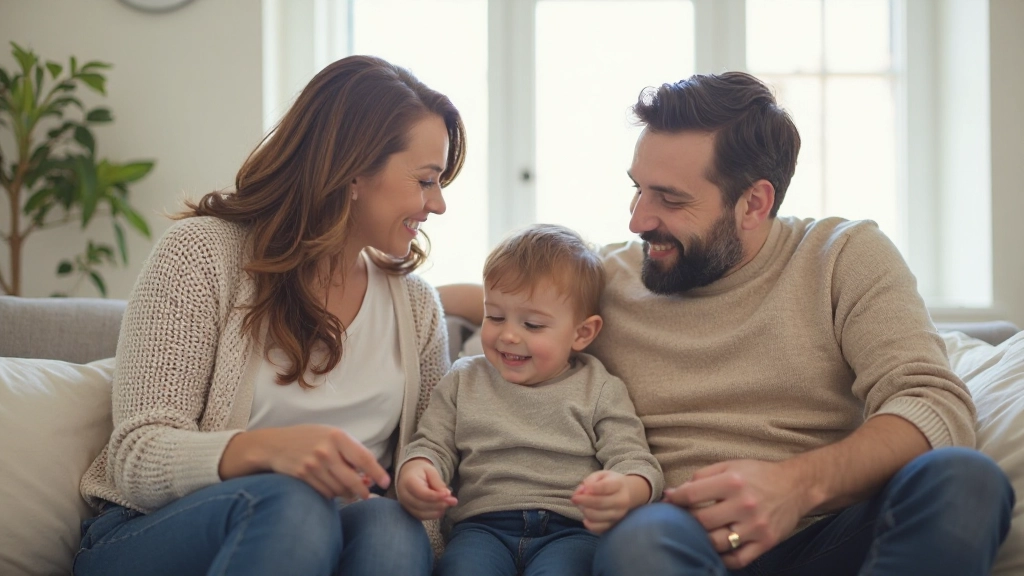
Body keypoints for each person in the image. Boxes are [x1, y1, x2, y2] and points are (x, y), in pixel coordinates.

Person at [440, 71, 1014, 576]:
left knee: (966, 481)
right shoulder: (608, 279)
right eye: (637, 188)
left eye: (669, 198)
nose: (639, 218)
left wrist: (795, 486)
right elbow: (501, 301)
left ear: (754, 203)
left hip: (831, 533)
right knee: (640, 542)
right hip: (678, 540)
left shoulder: (843, 255)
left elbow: (932, 404)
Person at [73, 55, 466, 576]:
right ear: (353, 172)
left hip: (336, 539)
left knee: (393, 528)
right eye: (425, 180)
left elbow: (426, 457)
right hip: (161, 531)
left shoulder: (415, 306)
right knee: (294, 503)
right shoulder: (201, 255)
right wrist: (267, 451)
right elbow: (136, 457)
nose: (437, 204)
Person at [398, 224, 663, 576]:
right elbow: (432, 445)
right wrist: (416, 472)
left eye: (533, 325)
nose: (508, 334)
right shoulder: (465, 378)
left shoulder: (598, 387)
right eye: (494, 316)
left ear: (582, 333)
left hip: (572, 532)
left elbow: (635, 460)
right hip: (482, 529)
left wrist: (625, 489)